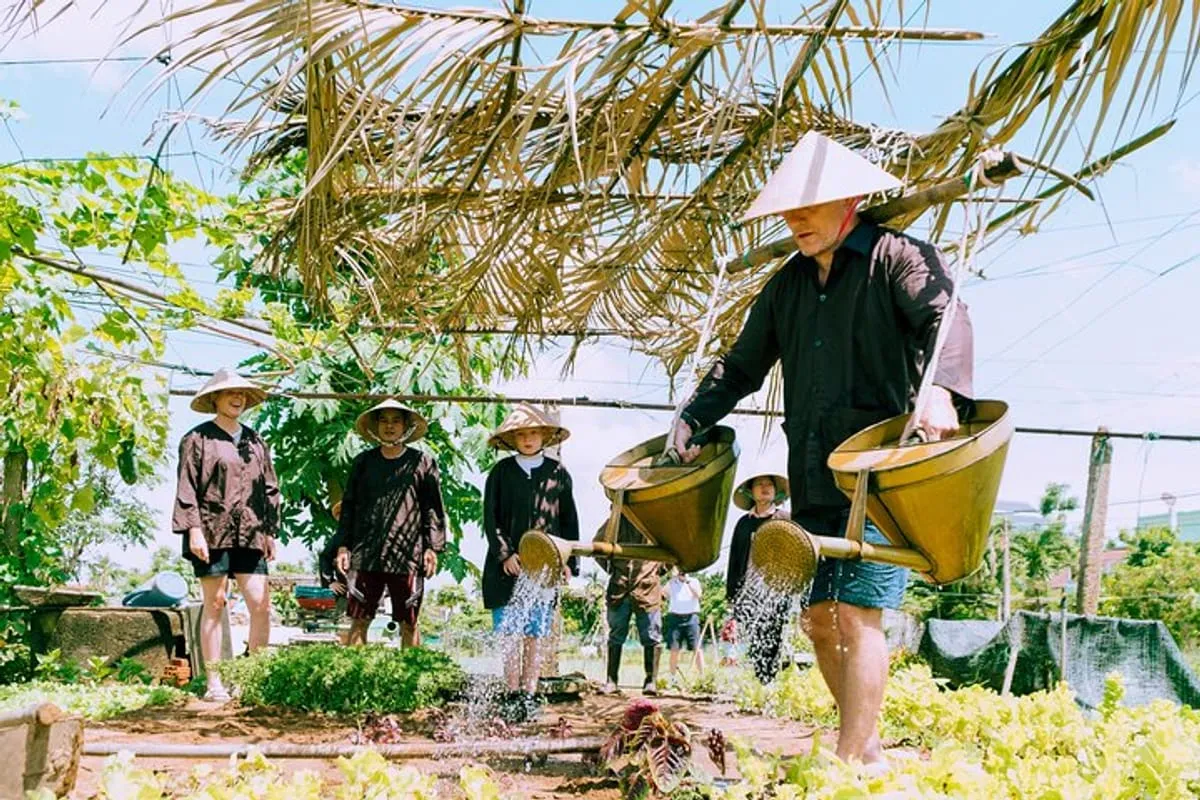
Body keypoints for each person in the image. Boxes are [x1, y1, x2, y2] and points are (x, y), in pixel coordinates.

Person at [672, 131, 974, 764]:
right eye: (790, 210)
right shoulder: (786, 287)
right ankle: (865, 752)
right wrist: (692, 417)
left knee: (858, 615)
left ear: (852, 200)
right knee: (819, 621)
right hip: (812, 474)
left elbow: (945, 318)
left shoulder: (898, 258)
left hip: (880, 477)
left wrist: (942, 392)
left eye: (810, 207)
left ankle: (849, 762)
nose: (796, 220)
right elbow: (741, 364)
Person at [172, 367, 279, 703]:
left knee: (261, 605)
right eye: (231, 392)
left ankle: (250, 680)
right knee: (215, 603)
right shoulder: (197, 439)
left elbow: (270, 488)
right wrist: (193, 530)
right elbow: (187, 487)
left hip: (251, 531)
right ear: (215, 398)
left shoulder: (256, 442)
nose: (238, 398)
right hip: (211, 529)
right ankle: (214, 682)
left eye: (242, 393)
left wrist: (270, 531)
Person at [482, 403, 579, 716]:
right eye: (521, 434)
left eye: (534, 433)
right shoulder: (500, 473)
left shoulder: (558, 473)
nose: (527, 439)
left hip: (545, 567)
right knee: (510, 633)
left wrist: (567, 561)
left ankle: (530, 692)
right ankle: (511, 692)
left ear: (544, 437)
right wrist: (505, 554)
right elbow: (491, 518)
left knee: (535, 632)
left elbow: (568, 520)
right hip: (506, 568)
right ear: (512, 438)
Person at [336, 399, 445, 648]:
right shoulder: (363, 462)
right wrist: (343, 546)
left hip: (408, 553)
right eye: (384, 420)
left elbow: (433, 508)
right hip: (366, 552)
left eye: (396, 421)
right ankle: (356, 671)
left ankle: (411, 672)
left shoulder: (422, 462)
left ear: (406, 426)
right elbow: (349, 506)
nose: (389, 426)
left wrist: (432, 548)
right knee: (359, 619)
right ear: (376, 426)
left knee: (409, 622)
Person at [725, 474, 791, 684]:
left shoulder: (785, 519)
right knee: (755, 639)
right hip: (750, 591)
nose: (765, 488)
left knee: (775, 636)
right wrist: (731, 595)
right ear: (751, 492)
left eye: (769, 484)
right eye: (760, 485)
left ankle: (771, 682)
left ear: (775, 491)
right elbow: (735, 559)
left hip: (777, 590)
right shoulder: (744, 523)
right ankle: (761, 681)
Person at [597, 516, 665, 696]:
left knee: (652, 636)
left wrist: (656, 572)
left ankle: (651, 681)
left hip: (648, 589)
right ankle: (611, 681)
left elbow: (672, 554)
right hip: (620, 588)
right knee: (615, 636)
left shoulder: (657, 522)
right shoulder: (615, 521)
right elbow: (598, 546)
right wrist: (613, 570)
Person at [664, 566, 704, 675]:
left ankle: (702, 675)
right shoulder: (672, 583)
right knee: (674, 649)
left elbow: (698, 595)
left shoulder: (694, 581)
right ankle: (672, 677)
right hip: (675, 618)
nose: (681, 573)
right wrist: (671, 579)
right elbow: (664, 594)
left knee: (697, 648)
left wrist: (687, 582)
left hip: (691, 617)